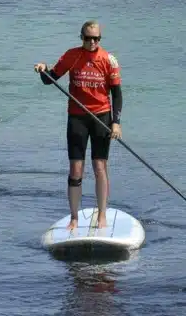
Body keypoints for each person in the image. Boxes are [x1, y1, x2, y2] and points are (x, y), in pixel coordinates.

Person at [33, 20, 122, 232]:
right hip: (77, 117)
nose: (92, 42)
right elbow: (50, 79)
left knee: (99, 166)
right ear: (81, 37)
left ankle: (102, 214)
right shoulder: (72, 56)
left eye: (96, 39)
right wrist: (44, 69)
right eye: (88, 38)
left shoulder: (109, 60)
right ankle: (74, 217)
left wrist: (116, 123)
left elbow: (117, 94)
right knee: (76, 169)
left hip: (101, 117)